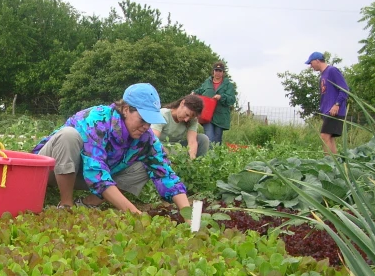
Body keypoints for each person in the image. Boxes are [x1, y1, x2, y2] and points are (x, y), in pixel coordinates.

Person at [32, 83, 190, 214]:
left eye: (150, 122)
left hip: (83, 175)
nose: (146, 127)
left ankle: (87, 203)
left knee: (144, 166)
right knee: (69, 135)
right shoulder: (97, 120)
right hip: (49, 168)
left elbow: (165, 173)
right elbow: (96, 173)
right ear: (126, 109)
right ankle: (66, 205)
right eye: (143, 120)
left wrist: (187, 214)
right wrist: (136, 215)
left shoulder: (146, 137)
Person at [305, 51, 349, 155]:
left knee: (324, 136)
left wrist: (337, 104)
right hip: (327, 111)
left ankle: (328, 164)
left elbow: (344, 89)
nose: (310, 66)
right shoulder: (323, 75)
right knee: (329, 138)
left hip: (334, 111)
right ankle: (335, 164)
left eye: (311, 63)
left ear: (317, 61)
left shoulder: (332, 71)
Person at [151, 95, 210, 159]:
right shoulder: (163, 114)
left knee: (203, 139)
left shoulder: (192, 120)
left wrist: (192, 160)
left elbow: (192, 142)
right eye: (187, 114)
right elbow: (153, 140)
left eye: (190, 117)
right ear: (182, 103)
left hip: (177, 147)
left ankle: (197, 165)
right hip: (161, 147)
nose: (186, 119)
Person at [193, 61, 236, 145]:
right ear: (213, 71)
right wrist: (193, 93)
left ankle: (216, 157)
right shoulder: (207, 82)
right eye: (216, 70)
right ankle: (207, 156)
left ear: (223, 72)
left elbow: (232, 99)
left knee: (217, 140)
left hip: (220, 116)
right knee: (209, 138)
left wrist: (221, 97)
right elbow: (200, 90)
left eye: (220, 71)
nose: (218, 73)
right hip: (207, 114)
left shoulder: (228, 85)